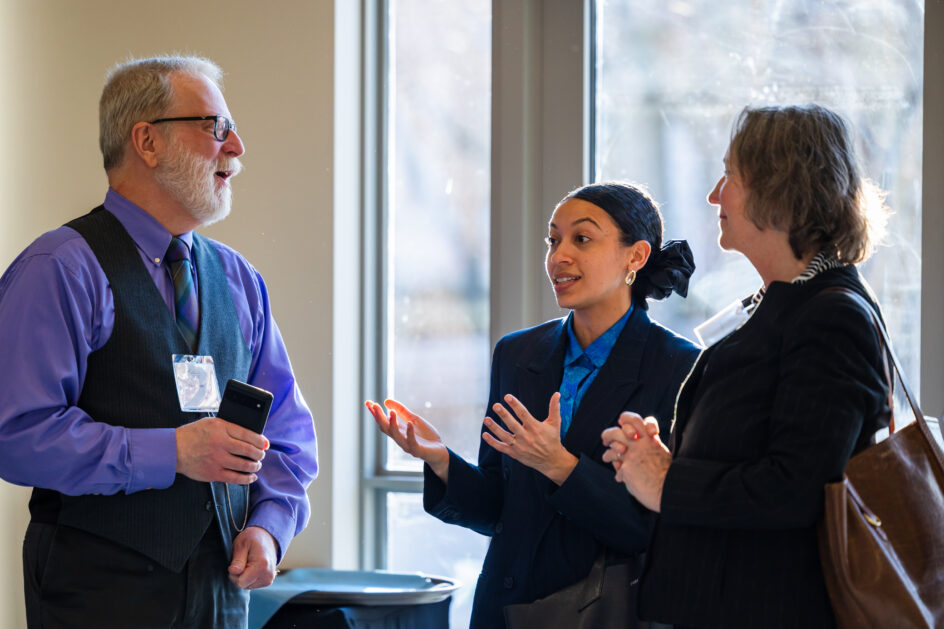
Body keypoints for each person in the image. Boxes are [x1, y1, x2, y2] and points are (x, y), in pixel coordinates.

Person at [0, 56, 318, 628]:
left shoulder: (240, 280)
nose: (238, 147)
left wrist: (271, 526)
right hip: (97, 597)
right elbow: (16, 435)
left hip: (221, 597)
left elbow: (289, 436)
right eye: (215, 128)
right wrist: (170, 453)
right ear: (147, 141)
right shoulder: (59, 270)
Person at [602, 104, 891, 628]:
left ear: (780, 188)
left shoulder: (831, 317)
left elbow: (795, 489)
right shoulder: (790, 302)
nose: (715, 194)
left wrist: (669, 482)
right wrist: (659, 459)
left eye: (730, 175)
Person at [367, 182, 699, 629]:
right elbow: (499, 511)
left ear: (635, 257)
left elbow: (652, 532)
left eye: (581, 239)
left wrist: (560, 465)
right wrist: (441, 460)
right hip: (503, 613)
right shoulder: (517, 354)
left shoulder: (678, 367)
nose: (558, 256)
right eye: (553, 239)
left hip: (603, 617)